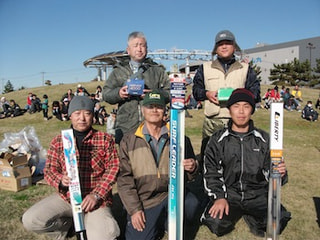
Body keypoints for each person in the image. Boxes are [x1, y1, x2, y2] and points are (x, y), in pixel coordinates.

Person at [22, 96, 120, 240]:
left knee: (106, 236)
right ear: (70, 115)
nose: (82, 118)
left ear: (93, 115)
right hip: (67, 199)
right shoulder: (59, 141)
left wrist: (96, 195)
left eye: (87, 113)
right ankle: (68, 228)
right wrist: (61, 180)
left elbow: (113, 168)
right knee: (31, 220)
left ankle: (91, 223)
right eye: (77, 113)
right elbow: (49, 170)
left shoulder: (105, 139)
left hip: (96, 202)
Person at [201, 88, 291, 237]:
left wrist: (280, 173)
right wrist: (219, 197)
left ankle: (252, 216)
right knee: (215, 223)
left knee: (277, 221)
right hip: (230, 195)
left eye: (246, 106)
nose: (241, 111)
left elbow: (274, 172)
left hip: (258, 195)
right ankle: (231, 210)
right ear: (229, 110)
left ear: (252, 110)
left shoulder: (265, 139)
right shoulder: (217, 139)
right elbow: (211, 172)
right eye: (236, 106)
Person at [117, 90, 202, 240]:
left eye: (159, 106)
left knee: (191, 204)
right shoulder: (128, 141)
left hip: (172, 195)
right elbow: (124, 180)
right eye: (150, 106)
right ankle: (156, 221)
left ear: (165, 110)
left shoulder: (179, 137)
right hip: (145, 199)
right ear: (143, 110)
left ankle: (169, 223)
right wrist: (135, 210)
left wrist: (192, 167)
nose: (154, 110)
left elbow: (189, 175)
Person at [192, 30, 260, 160]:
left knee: (237, 159)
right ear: (215, 49)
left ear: (234, 47)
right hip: (212, 122)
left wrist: (239, 97)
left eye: (228, 43)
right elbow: (196, 91)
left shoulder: (245, 68)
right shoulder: (204, 68)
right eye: (220, 44)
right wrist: (207, 94)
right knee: (209, 158)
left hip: (238, 122)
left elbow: (255, 93)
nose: (224, 46)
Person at [102, 31, 170, 144]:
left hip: (153, 126)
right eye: (135, 45)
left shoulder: (157, 70)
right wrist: (119, 93)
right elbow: (106, 94)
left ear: (147, 49)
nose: (139, 49)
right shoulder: (118, 71)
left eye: (142, 45)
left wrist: (153, 94)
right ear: (128, 50)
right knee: (127, 159)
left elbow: (170, 93)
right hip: (125, 126)